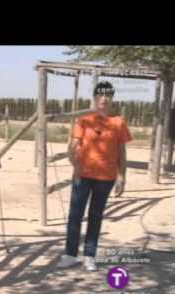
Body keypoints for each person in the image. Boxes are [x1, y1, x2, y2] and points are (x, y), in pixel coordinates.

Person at [57, 81, 132, 271]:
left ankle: (90, 255)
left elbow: (122, 153)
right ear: (95, 97)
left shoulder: (119, 122)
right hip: (83, 175)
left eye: (108, 95)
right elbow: (72, 148)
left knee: (95, 216)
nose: (104, 99)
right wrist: (75, 167)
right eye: (100, 95)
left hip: (106, 177)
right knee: (75, 214)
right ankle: (70, 254)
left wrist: (122, 177)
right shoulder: (84, 120)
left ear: (112, 98)